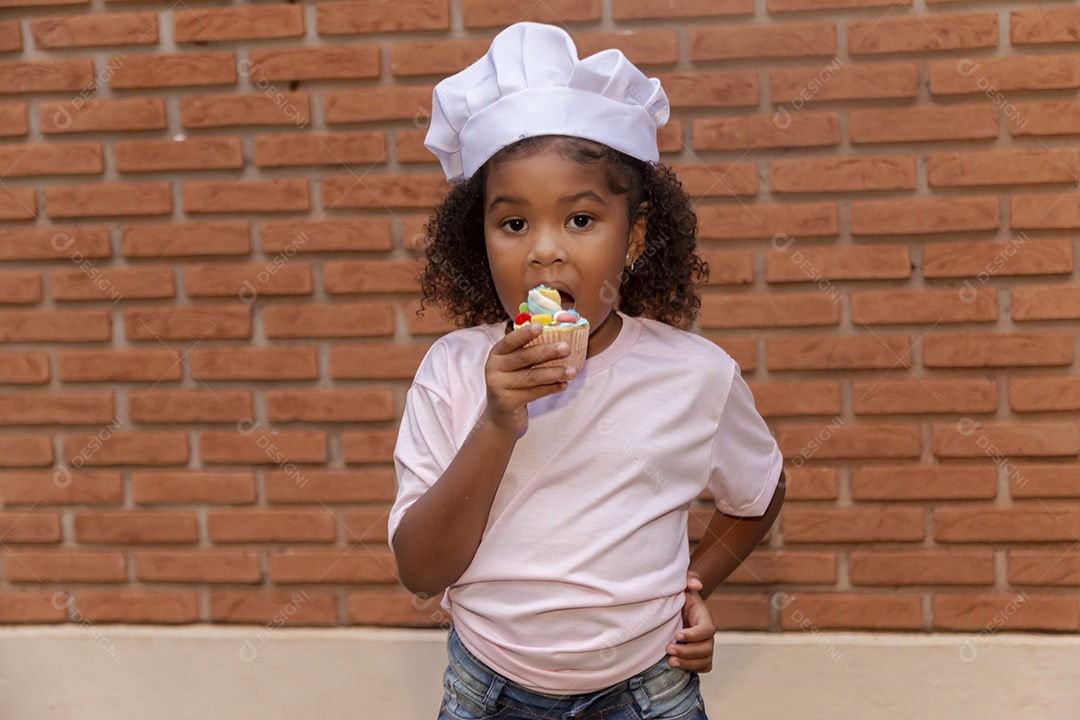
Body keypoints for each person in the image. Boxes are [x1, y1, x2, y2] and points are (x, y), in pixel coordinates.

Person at [389, 22, 786, 720]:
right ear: (476, 237)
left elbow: (759, 492)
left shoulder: (696, 374)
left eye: (579, 219)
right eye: (513, 224)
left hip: (648, 693)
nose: (544, 252)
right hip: (488, 690)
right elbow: (421, 572)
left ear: (633, 237)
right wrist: (497, 421)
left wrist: (694, 585)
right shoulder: (452, 372)